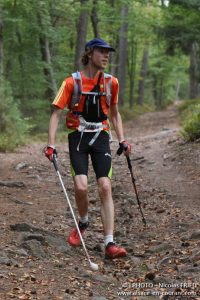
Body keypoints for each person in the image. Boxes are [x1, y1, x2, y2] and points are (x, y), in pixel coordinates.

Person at [45, 37, 131, 259]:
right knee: (81, 186)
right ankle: (83, 222)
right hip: (78, 137)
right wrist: (51, 144)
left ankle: (110, 243)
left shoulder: (112, 82)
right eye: (102, 52)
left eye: (108, 52)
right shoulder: (71, 82)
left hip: (101, 135)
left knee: (105, 186)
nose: (106, 56)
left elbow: (114, 113)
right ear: (90, 53)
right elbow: (56, 113)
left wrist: (122, 139)